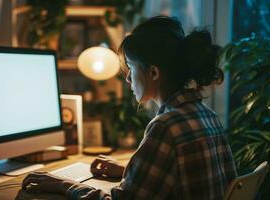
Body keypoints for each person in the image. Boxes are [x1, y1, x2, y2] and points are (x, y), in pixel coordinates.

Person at [22, 16, 237, 199]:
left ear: (153, 73)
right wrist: (129, 171)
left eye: (131, 68)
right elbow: (187, 178)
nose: (127, 78)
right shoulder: (207, 115)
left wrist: (62, 184)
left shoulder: (165, 126)